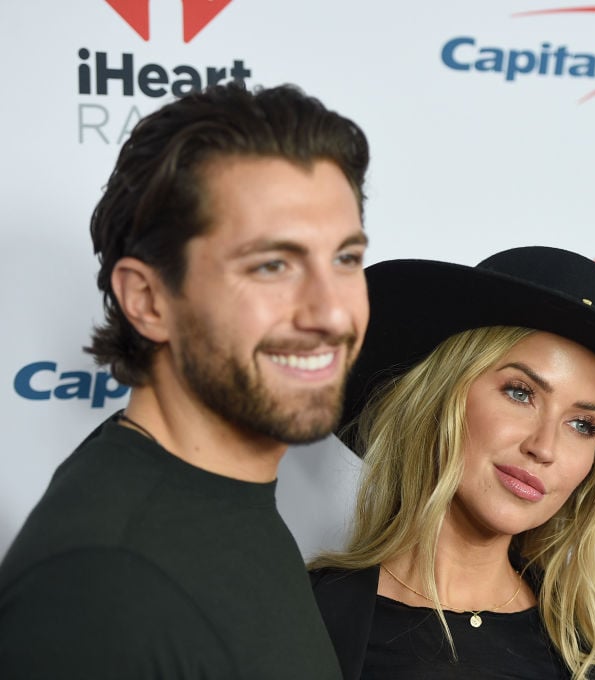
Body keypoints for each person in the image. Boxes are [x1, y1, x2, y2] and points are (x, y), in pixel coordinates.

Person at [0, 83, 370, 678]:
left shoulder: (219, 489)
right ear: (148, 300)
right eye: (272, 265)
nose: (330, 312)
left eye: (345, 260)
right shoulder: (101, 585)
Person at [309, 246, 595, 679]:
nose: (544, 447)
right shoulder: (306, 617)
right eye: (520, 393)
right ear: (441, 396)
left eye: (583, 425)